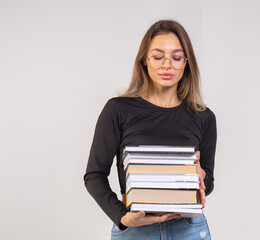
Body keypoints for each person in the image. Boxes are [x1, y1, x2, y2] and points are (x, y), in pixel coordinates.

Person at [84, 20, 217, 240]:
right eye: (157, 56)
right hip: (135, 229)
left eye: (176, 57)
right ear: (144, 61)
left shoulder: (204, 117)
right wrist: (122, 217)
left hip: (188, 228)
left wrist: (200, 175)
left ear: (186, 63)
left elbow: (208, 181)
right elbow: (94, 175)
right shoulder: (118, 110)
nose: (167, 65)